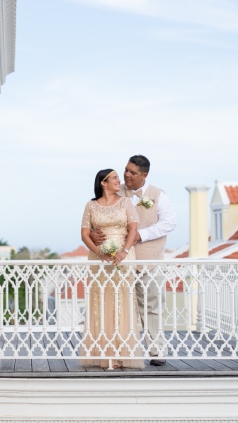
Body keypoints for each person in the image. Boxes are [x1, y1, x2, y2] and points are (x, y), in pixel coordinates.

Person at [91, 155, 176, 366]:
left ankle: (157, 351)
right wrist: (93, 233)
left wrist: (142, 235)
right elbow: (97, 216)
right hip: (119, 262)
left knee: (152, 305)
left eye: (133, 173)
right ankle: (120, 352)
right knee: (119, 307)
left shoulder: (158, 195)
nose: (127, 175)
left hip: (148, 259)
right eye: (126, 170)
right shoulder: (114, 191)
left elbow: (169, 223)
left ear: (144, 175)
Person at [79, 168, 145, 370]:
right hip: (99, 259)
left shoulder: (125, 202)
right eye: (115, 178)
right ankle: (103, 355)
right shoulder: (90, 205)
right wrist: (99, 252)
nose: (119, 180)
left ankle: (121, 353)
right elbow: (84, 234)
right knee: (101, 301)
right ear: (103, 183)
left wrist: (124, 251)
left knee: (121, 301)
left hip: (123, 257)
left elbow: (133, 228)